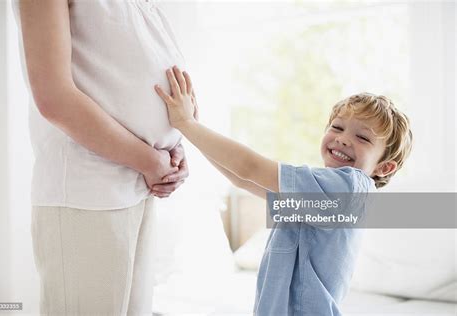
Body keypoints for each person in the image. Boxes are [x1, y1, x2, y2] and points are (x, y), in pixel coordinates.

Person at [154, 66, 413, 315]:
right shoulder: (318, 191)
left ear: (384, 167)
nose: (343, 138)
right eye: (337, 127)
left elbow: (249, 168)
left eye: (363, 138)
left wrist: (187, 124)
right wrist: (195, 134)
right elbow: (244, 180)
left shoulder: (349, 188)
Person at [11, 0, 189, 314]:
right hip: (87, 193)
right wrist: (151, 160)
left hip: (138, 187)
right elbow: (54, 97)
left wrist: (171, 145)